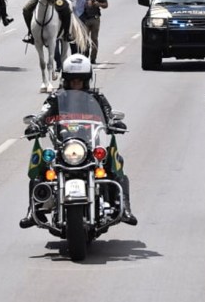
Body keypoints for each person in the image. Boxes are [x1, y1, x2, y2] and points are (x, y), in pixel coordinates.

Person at [20, 54, 136, 227]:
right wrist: (36, 123)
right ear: (66, 80)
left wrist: (113, 122)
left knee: (114, 159)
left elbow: (108, 113)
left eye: (80, 81)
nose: (76, 84)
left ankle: (125, 208)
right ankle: (33, 209)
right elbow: (43, 113)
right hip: (63, 146)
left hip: (89, 144)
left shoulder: (96, 97)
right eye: (73, 80)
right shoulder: (56, 98)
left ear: (86, 81)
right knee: (42, 162)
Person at [81, 0, 108, 64]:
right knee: (84, 39)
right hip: (85, 19)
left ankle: (93, 58)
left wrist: (98, 4)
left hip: (95, 19)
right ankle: (85, 54)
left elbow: (106, 4)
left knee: (94, 39)